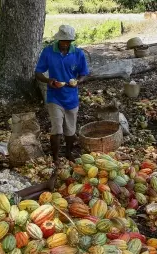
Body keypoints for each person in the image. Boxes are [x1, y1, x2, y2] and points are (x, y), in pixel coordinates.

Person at [35, 25, 90, 166]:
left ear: (71, 41)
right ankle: (55, 158)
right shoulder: (48, 52)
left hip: (71, 96)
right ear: (58, 39)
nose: (65, 44)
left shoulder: (78, 54)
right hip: (54, 96)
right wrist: (49, 80)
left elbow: (83, 73)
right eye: (63, 41)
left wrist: (77, 81)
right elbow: (38, 73)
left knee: (70, 130)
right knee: (57, 129)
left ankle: (69, 152)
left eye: (68, 41)